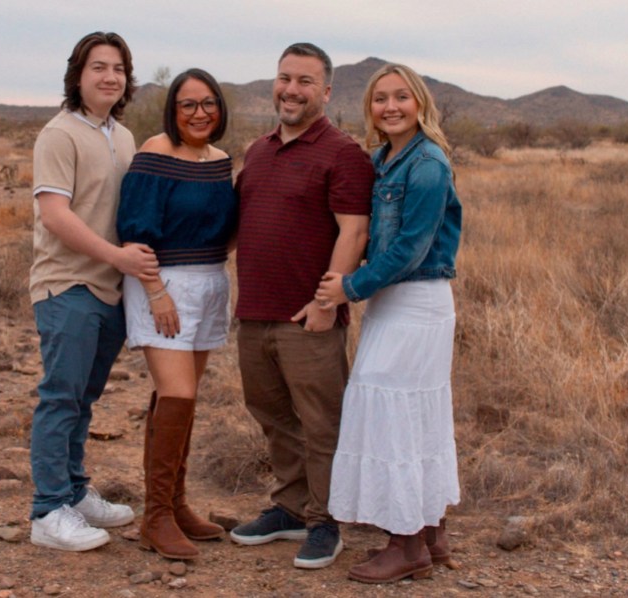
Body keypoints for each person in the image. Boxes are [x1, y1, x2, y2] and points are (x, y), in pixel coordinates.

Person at [315, 63, 462, 584]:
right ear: (370, 108)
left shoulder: (426, 164)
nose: (391, 107)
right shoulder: (383, 159)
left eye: (402, 97)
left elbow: (410, 247)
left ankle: (406, 546)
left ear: (419, 102)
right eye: (381, 99)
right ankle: (432, 532)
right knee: (416, 414)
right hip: (394, 303)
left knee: (392, 412)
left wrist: (348, 287)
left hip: (415, 301)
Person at [230, 43, 374, 570]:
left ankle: (326, 520)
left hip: (307, 316)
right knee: (271, 414)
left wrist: (323, 303)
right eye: (285, 78)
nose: (292, 89)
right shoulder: (260, 149)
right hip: (255, 312)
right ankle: (290, 508)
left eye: (305, 81)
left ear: (327, 92)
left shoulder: (343, 153)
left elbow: (353, 230)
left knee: (322, 422)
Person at [28, 31, 160, 552]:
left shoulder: (122, 136)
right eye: (98, 67)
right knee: (60, 398)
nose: (109, 77)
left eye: (119, 69)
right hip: (68, 285)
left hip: (110, 290)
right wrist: (118, 258)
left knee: (84, 398)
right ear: (77, 75)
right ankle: (47, 511)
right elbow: (55, 215)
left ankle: (74, 493)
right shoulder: (59, 135)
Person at [117, 68, 237, 560]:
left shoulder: (221, 160)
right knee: (177, 392)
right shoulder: (155, 151)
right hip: (161, 284)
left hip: (209, 282)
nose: (199, 113)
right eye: (188, 104)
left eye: (208, 103)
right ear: (173, 109)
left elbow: (227, 228)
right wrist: (155, 291)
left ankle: (176, 505)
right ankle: (155, 518)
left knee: (180, 401)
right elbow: (134, 229)